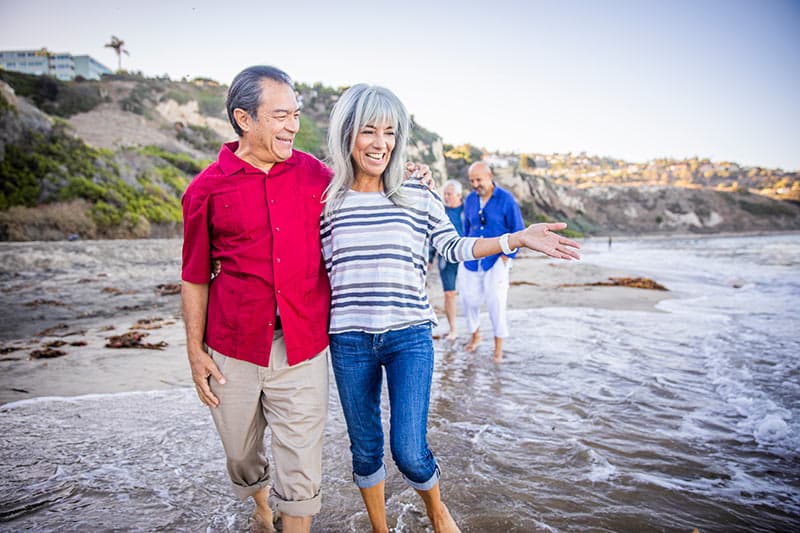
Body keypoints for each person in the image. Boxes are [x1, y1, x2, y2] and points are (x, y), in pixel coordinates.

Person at [320, 84, 580, 533]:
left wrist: (513, 239)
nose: (380, 143)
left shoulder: (417, 194)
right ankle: (381, 529)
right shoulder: (327, 203)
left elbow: (454, 247)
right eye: (368, 131)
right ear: (347, 134)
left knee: (409, 449)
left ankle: (438, 511)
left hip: (409, 337)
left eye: (390, 132)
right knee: (364, 448)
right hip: (348, 339)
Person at [181, 65, 331, 533]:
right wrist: (194, 351)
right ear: (245, 119)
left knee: (302, 458)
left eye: (296, 115)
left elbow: (369, 191)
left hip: (302, 344)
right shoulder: (205, 189)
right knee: (241, 453)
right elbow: (194, 276)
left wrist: (409, 177)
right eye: (281, 115)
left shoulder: (316, 175)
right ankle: (261, 506)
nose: (293, 126)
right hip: (232, 347)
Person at [458, 161, 524, 363]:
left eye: (478, 179)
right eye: (471, 181)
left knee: (496, 301)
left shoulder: (506, 199)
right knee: (468, 300)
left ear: (489, 176)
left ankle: (498, 349)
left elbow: (518, 230)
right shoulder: (470, 199)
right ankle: (475, 335)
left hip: (497, 259)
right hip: (471, 259)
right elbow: (466, 228)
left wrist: (507, 256)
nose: (475, 184)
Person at [436, 180, 465, 341]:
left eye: (449, 194)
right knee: (449, 294)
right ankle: (453, 329)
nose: (446, 197)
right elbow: (433, 234)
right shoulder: (441, 211)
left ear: (459, 195)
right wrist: (429, 258)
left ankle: (475, 331)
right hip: (446, 259)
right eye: (445, 194)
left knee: (468, 294)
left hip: (467, 257)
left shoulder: (468, 210)